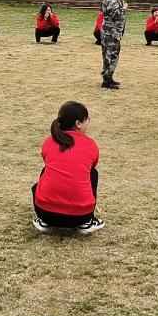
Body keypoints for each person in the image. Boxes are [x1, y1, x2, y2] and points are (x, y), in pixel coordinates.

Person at [31, 100, 104, 235]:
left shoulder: (49, 141)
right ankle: (88, 222)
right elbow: (91, 167)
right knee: (92, 173)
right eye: (87, 119)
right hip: (81, 215)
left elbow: (47, 159)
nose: (89, 121)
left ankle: (44, 222)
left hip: (46, 213)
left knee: (46, 170)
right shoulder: (90, 144)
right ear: (78, 123)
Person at [100, 0, 127, 89]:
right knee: (109, 55)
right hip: (110, 32)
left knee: (113, 55)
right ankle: (106, 81)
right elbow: (114, 14)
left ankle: (109, 77)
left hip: (114, 32)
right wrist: (124, 8)